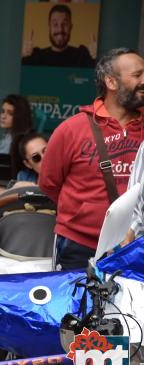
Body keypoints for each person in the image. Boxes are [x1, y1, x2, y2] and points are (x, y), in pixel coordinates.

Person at [39, 48, 144, 270]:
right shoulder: (72, 129)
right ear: (111, 82)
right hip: (78, 245)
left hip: (136, 244)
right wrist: (82, 213)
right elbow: (49, 183)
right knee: (75, 304)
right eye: (137, 75)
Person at [22, 4, 95, 68]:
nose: (60, 29)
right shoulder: (36, 57)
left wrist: (96, 57)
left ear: (71, 27)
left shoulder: (82, 56)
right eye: (55, 24)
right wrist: (22, 56)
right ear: (49, 27)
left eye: (65, 24)